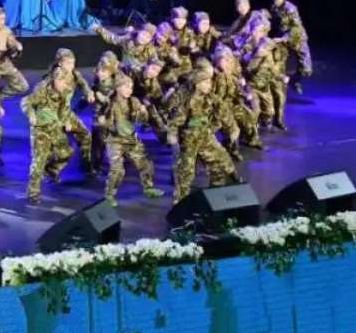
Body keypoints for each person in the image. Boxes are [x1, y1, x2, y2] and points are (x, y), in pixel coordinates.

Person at [169, 68, 240, 203]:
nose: (210, 85)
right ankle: (180, 200)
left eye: (210, 82)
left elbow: (225, 113)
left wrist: (233, 129)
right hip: (189, 139)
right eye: (206, 83)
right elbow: (175, 121)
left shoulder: (212, 98)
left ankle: (218, 188)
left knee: (221, 159)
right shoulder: (186, 100)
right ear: (197, 84)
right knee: (186, 171)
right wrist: (172, 137)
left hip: (206, 136)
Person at [98, 74, 164, 205]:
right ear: (118, 88)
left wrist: (143, 112)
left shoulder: (133, 101)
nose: (130, 89)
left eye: (131, 87)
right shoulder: (110, 103)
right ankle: (109, 195)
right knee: (117, 169)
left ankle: (148, 187)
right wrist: (103, 122)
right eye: (126, 87)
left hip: (131, 138)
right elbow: (102, 119)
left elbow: (143, 121)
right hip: (115, 140)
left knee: (146, 164)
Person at [22, 72, 75, 205]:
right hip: (40, 129)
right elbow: (25, 102)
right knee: (39, 160)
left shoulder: (65, 90)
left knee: (67, 152)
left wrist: (67, 121)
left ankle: (51, 170)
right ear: (56, 80)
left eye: (67, 83)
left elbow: (65, 108)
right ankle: (33, 192)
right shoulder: (42, 89)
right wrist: (31, 114)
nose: (65, 86)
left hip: (55, 126)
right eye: (63, 82)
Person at [240, 16, 288, 131]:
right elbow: (243, 62)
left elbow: (273, 64)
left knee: (275, 103)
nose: (259, 33)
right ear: (252, 31)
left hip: (266, 79)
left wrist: (281, 76)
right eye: (256, 30)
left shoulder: (267, 44)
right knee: (254, 107)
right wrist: (255, 54)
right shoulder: (248, 44)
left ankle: (271, 119)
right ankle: (252, 123)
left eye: (261, 31)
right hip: (252, 81)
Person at [268, 0, 312, 93]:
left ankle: (295, 80)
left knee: (306, 70)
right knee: (276, 63)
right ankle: (278, 86)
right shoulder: (274, 8)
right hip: (283, 40)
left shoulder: (290, 9)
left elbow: (296, 28)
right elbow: (275, 24)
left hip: (297, 39)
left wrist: (284, 38)